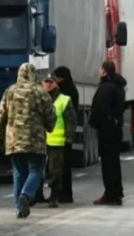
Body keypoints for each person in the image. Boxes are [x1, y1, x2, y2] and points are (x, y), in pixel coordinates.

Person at [0, 63, 56, 219]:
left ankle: (19, 208)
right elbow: (51, 116)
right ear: (34, 75)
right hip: (35, 140)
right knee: (36, 169)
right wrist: (49, 127)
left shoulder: (10, 92)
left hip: (14, 140)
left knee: (19, 172)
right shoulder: (40, 92)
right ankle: (26, 195)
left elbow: (0, 118)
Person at [89, 61, 127, 205]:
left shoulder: (105, 88)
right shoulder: (119, 87)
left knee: (108, 165)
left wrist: (94, 122)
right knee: (114, 163)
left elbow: (99, 108)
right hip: (116, 128)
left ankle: (110, 194)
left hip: (106, 130)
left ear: (104, 71)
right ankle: (116, 193)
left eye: (100, 68)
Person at [39, 73, 77, 208]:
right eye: (46, 81)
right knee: (37, 169)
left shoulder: (64, 100)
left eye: (51, 82)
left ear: (56, 84)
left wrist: (68, 138)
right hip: (39, 142)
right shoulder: (37, 99)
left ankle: (54, 196)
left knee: (55, 171)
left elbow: (71, 121)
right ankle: (37, 195)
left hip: (57, 142)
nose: (48, 84)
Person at [52, 66, 80, 203]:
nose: (54, 81)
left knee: (60, 167)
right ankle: (65, 193)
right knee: (64, 166)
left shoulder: (63, 92)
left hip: (60, 135)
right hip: (65, 135)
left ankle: (63, 193)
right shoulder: (73, 90)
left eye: (56, 77)